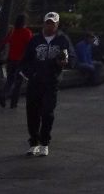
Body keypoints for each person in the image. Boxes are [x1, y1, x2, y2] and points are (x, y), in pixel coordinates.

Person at [20, 12, 75, 156]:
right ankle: (33, 142)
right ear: (44, 23)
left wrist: (64, 63)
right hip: (35, 81)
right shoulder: (35, 40)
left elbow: (72, 57)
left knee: (47, 112)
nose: (50, 26)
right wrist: (29, 73)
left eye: (53, 23)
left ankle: (44, 142)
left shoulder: (62, 40)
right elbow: (26, 59)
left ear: (57, 25)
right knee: (32, 112)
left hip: (51, 82)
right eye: (48, 23)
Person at [0, 14, 33, 109]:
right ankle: (13, 103)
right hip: (21, 60)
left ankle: (4, 94)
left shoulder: (12, 31)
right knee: (18, 83)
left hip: (10, 59)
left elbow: (4, 42)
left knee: (10, 80)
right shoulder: (27, 32)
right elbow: (30, 46)